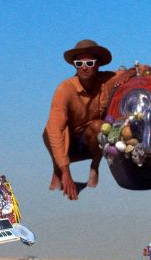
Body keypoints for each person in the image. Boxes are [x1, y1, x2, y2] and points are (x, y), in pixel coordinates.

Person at [42, 39, 128, 200]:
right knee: (49, 130)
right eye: (79, 63)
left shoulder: (107, 81)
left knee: (99, 126)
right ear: (74, 65)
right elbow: (55, 130)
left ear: (98, 65)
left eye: (89, 63)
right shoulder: (64, 89)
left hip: (91, 140)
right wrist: (66, 172)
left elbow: (138, 70)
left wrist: (131, 73)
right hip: (68, 141)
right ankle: (58, 171)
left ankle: (95, 166)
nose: (84, 67)